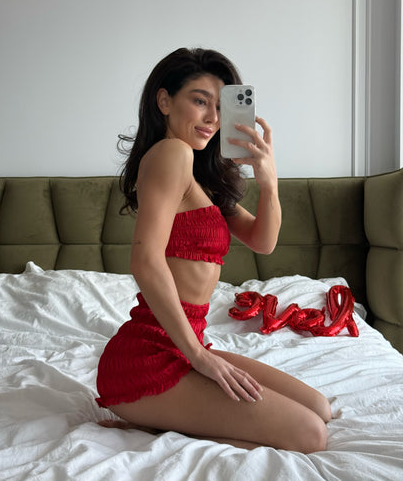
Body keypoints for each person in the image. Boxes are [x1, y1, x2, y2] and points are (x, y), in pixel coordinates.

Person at [96, 47, 331, 452]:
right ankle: (150, 421)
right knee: (311, 435)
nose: (213, 118)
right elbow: (145, 260)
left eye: (220, 107)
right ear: (164, 101)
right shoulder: (172, 153)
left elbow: (263, 241)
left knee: (319, 408)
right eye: (200, 101)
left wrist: (269, 181)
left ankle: (156, 426)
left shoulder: (200, 178)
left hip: (186, 346)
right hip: (149, 357)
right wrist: (200, 358)